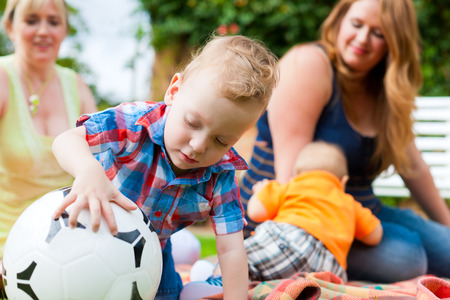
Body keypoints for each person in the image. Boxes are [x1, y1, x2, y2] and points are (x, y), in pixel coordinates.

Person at [51, 35, 279, 300]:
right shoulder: (133, 123)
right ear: (174, 92)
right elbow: (65, 140)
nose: (198, 145)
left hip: (151, 250)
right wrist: (89, 171)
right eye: (192, 122)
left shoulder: (221, 173)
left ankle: (202, 281)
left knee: (169, 295)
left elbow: (231, 249)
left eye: (221, 140)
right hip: (91, 234)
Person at [239, 0, 450, 283]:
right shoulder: (309, 65)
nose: (362, 39)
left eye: (379, 33)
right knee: (408, 258)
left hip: (357, 210)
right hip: (292, 216)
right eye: (357, 24)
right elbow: (290, 181)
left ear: (395, 42)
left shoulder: (386, 90)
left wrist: (446, 227)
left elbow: (414, 168)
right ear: (340, 19)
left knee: (445, 249)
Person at [0, 0, 97, 260]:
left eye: (53, 22)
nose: (43, 31)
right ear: (10, 27)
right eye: (32, 20)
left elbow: (104, 161)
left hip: (69, 239)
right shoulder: (2, 77)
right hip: (7, 240)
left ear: (64, 31)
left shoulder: (77, 86)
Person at [245, 141, 382, 282]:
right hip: (327, 267)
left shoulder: (290, 186)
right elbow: (375, 236)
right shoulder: (350, 203)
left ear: (296, 174)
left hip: (290, 240)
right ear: (343, 181)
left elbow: (256, 213)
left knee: (239, 261)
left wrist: (261, 191)